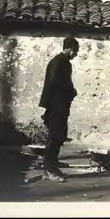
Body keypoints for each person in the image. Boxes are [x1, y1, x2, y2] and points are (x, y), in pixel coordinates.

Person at [39, 37, 79, 182]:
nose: (76, 54)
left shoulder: (60, 62)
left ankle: (51, 169)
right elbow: (55, 82)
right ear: (70, 48)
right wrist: (71, 90)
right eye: (76, 51)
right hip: (57, 107)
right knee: (55, 138)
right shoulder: (60, 62)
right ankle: (50, 170)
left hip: (59, 106)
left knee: (58, 137)